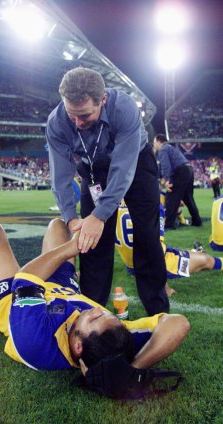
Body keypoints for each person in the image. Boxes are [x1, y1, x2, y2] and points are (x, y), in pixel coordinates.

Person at [0, 218, 190, 372]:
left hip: (14, 296)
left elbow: (26, 276)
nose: (98, 310)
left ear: (78, 347)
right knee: (58, 225)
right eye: (106, 314)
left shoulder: (37, 343)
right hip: (64, 289)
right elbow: (179, 324)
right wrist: (132, 370)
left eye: (94, 318)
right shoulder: (111, 339)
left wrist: (71, 249)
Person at [46, 67, 168, 316]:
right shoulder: (57, 123)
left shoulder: (124, 108)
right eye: (72, 115)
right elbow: (60, 177)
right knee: (91, 243)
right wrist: (72, 218)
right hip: (92, 168)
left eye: (85, 115)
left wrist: (99, 216)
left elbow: (123, 170)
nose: (78, 123)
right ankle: (92, 313)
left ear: (103, 100)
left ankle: (158, 313)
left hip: (136, 161)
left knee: (146, 234)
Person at [116, 202, 223, 296]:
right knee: (207, 260)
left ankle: (194, 252)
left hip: (131, 265)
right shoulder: (150, 199)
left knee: (175, 251)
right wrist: (163, 286)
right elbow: (155, 249)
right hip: (156, 265)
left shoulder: (111, 199)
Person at [153, 134, 202, 229]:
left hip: (181, 172)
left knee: (171, 197)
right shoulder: (171, 147)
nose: (154, 144)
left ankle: (168, 224)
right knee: (188, 198)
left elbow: (166, 165)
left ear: (159, 142)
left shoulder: (163, 149)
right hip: (188, 170)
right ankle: (197, 221)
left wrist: (167, 180)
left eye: (154, 142)